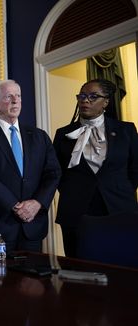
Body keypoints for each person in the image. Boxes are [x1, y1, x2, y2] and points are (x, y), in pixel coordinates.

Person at [0, 79, 61, 255]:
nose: (15, 100)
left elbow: (53, 173)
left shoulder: (39, 136)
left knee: (32, 281)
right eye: (8, 96)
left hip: (32, 225)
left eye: (18, 96)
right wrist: (14, 205)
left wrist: (37, 203)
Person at [53, 78, 138, 257]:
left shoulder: (126, 130)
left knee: (120, 266)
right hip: (76, 211)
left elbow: (135, 169)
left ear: (105, 102)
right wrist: (74, 190)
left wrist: (119, 189)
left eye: (93, 96)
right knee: (79, 269)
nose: (85, 100)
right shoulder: (63, 134)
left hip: (118, 208)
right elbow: (56, 173)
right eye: (82, 96)